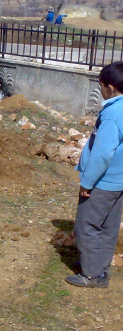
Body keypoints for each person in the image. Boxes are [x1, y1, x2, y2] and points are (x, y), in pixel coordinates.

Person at [65, 61, 123, 288]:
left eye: (100, 87)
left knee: (86, 226)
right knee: (108, 226)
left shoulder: (113, 114)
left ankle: (91, 275)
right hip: (119, 181)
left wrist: (87, 182)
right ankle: (101, 268)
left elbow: (102, 153)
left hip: (104, 181)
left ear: (109, 87)